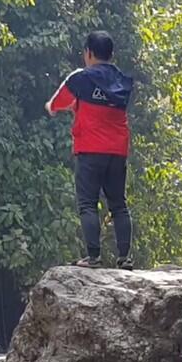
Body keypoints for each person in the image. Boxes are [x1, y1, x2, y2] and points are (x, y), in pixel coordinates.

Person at [46, 31, 135, 269]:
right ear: (112, 54)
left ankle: (93, 257)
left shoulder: (80, 78)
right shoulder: (123, 81)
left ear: (88, 53)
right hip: (118, 151)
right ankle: (124, 258)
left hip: (90, 150)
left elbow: (57, 103)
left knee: (87, 203)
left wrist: (54, 107)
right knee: (119, 204)